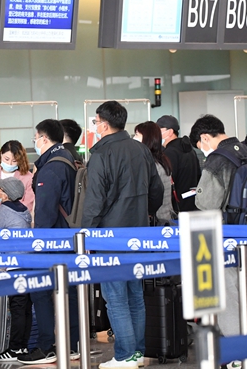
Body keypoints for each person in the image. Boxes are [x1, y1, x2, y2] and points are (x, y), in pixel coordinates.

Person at [82, 101, 163, 369]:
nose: (95, 126)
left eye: (96, 122)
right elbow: (156, 190)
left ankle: (125, 355)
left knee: (116, 298)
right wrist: (145, 213)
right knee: (135, 296)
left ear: (105, 125)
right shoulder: (141, 149)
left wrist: (86, 234)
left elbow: (95, 201)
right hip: (138, 232)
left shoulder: (101, 154)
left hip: (110, 237)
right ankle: (137, 352)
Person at [189, 114, 247, 369]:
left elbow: (206, 203)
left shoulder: (217, 159)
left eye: (200, 145)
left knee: (228, 299)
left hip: (227, 235)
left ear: (205, 138)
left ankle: (237, 355)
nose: (202, 150)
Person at [18, 119, 79, 365]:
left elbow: (45, 212)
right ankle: (73, 344)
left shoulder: (51, 168)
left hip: (53, 240)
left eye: (36, 138)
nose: (34, 142)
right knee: (71, 292)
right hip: (70, 238)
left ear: (44, 138)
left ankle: (46, 346)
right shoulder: (69, 159)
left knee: (40, 290)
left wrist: (38, 243)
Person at [0, 176, 33, 362]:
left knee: (17, 308)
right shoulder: (25, 211)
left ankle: (14, 348)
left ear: (6, 194)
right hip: (29, 264)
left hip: (14, 265)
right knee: (25, 307)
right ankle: (22, 346)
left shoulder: (2, 211)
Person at [0, 140, 34, 226]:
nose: (9, 163)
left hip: (16, 224)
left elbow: (28, 205)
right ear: (1, 155)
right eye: (6, 159)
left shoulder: (28, 178)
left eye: (14, 161)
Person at [156, 115, 200, 213]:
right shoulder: (189, 149)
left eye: (159, 130)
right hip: (192, 203)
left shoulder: (169, 153)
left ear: (170, 132)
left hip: (176, 206)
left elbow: (166, 182)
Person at [134, 121, 175, 224]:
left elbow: (154, 194)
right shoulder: (162, 160)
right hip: (165, 215)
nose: (134, 138)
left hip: (156, 219)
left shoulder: (150, 164)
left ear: (147, 138)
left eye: (137, 135)